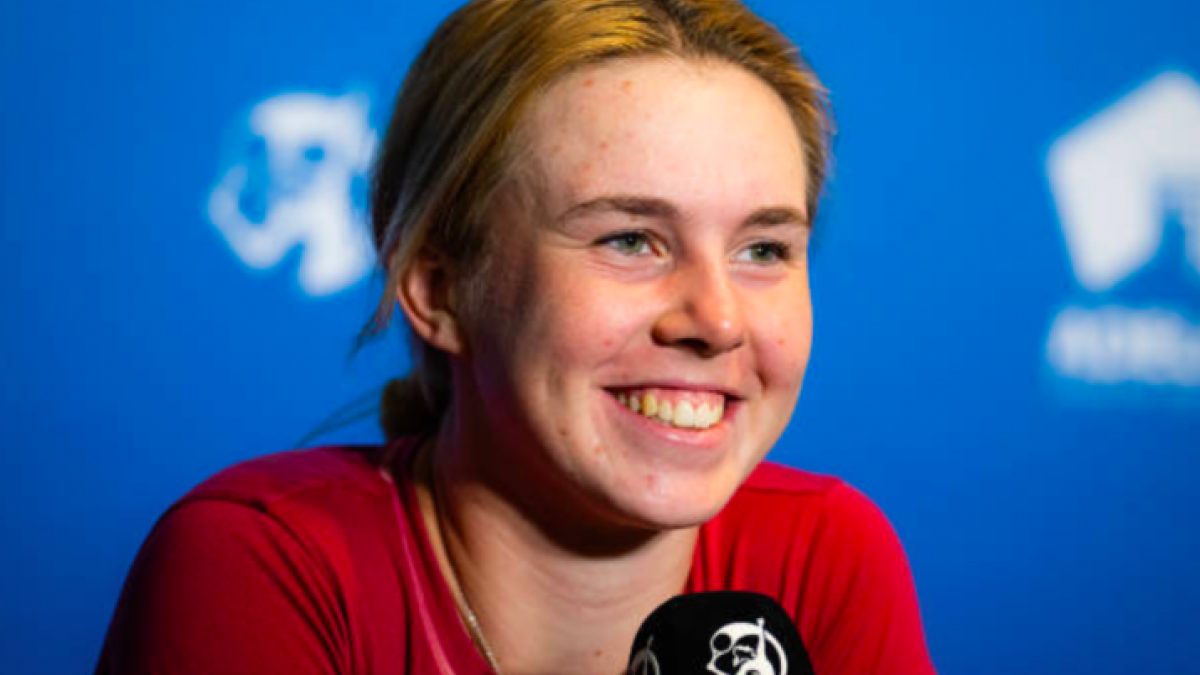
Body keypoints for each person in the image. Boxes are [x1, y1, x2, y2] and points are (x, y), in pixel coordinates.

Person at [97, 0, 937, 673]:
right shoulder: (262, 565)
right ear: (439, 287)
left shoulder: (825, 552)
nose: (717, 319)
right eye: (630, 239)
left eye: (763, 249)